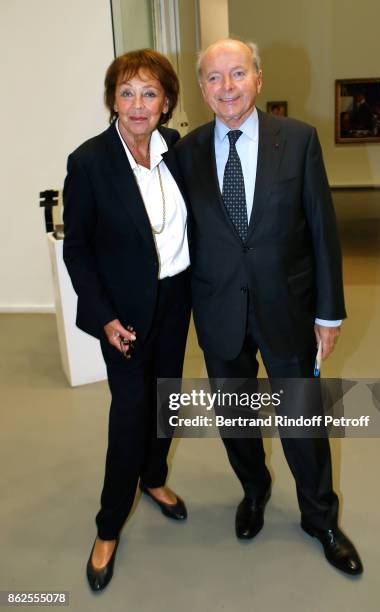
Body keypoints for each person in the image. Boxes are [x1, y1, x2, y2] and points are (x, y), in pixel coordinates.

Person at [175, 38, 363, 575]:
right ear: (203, 89)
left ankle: (320, 517)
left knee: (302, 420)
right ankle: (253, 491)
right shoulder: (185, 155)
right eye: (214, 77)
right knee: (235, 417)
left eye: (237, 74)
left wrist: (329, 312)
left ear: (258, 79)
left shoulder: (298, 141)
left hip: (288, 307)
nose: (227, 87)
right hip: (218, 312)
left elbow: (323, 232)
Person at [63, 49, 191, 592]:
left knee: (167, 397)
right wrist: (105, 318)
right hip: (125, 316)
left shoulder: (176, 150)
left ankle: (155, 477)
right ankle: (109, 524)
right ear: (112, 99)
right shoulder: (90, 161)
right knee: (131, 413)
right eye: (127, 92)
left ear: (166, 103)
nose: (138, 105)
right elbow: (79, 252)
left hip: (177, 295)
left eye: (150, 93)